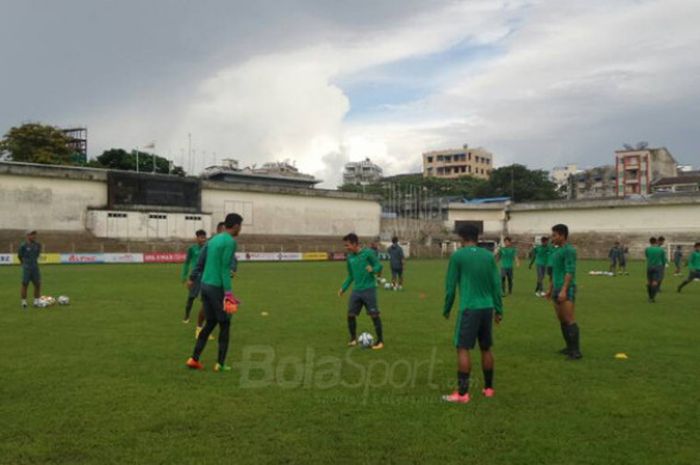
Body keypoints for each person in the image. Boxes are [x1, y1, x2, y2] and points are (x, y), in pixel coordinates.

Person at [442, 224, 503, 404]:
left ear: (462, 238)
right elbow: (496, 285)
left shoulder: (458, 256)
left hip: (469, 308)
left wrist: (446, 308)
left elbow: (450, 287)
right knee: (486, 348)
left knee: (462, 348)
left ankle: (462, 394)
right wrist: (499, 310)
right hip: (487, 308)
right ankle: (489, 388)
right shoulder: (488, 256)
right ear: (477, 237)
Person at [186, 213, 243, 372]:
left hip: (205, 285)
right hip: (217, 287)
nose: (240, 230)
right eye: (240, 226)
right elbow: (225, 268)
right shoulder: (230, 242)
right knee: (225, 324)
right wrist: (229, 294)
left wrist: (192, 277)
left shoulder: (213, 240)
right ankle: (220, 363)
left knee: (210, 322)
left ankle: (194, 359)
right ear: (236, 226)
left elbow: (201, 262)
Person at [338, 233, 384, 350]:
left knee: (374, 315)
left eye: (347, 245)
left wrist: (373, 269)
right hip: (356, 291)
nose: (346, 248)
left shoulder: (368, 253)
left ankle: (380, 342)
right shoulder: (350, 258)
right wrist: (343, 288)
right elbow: (351, 275)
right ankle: (353, 339)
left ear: (354, 244)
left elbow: (379, 265)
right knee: (350, 315)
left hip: (369, 289)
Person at [546, 224, 582, 360]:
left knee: (569, 319)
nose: (552, 238)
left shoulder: (569, 250)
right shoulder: (556, 251)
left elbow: (569, 271)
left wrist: (564, 290)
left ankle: (576, 351)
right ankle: (569, 347)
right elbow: (554, 272)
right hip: (556, 288)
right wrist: (550, 289)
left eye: (554, 235)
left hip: (565, 289)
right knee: (561, 319)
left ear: (562, 235)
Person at [181, 230, 207, 323]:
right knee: (191, 297)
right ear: (197, 238)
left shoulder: (208, 248)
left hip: (206, 277)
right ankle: (186, 316)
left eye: (204, 237)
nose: (203, 239)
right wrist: (184, 276)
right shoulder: (192, 249)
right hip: (195, 277)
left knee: (206, 299)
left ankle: (203, 319)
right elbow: (187, 262)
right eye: (201, 237)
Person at [18, 230, 42, 308]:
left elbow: (37, 254)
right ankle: (24, 302)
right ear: (28, 236)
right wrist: (24, 264)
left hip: (35, 267)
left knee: (37, 284)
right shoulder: (23, 245)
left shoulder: (38, 245)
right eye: (32, 234)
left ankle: (36, 301)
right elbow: (20, 256)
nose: (34, 236)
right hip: (27, 268)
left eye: (35, 234)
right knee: (25, 284)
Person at [645, 237, 666, 303]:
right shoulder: (661, 250)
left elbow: (647, 256)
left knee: (649, 282)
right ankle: (652, 298)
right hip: (658, 267)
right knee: (655, 283)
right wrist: (663, 267)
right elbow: (663, 260)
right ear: (656, 241)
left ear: (650, 242)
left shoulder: (647, 249)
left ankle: (650, 297)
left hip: (649, 266)